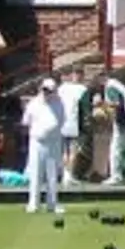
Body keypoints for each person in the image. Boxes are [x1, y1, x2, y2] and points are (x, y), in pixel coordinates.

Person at [22, 77, 66, 215]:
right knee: (36, 174)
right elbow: (26, 121)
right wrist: (37, 132)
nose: (47, 94)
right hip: (37, 143)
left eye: (49, 91)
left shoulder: (59, 103)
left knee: (52, 175)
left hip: (53, 143)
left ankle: (52, 204)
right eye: (45, 91)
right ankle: (33, 204)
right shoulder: (33, 104)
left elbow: (59, 121)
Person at [96, 74, 125, 186]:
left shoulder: (110, 87)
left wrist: (101, 105)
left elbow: (116, 104)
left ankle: (116, 177)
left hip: (123, 121)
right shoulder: (118, 85)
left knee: (116, 150)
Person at [57, 71, 89, 186]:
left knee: (65, 151)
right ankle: (69, 175)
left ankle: (65, 174)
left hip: (62, 122)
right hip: (74, 123)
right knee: (73, 150)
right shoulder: (82, 89)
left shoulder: (61, 88)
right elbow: (86, 107)